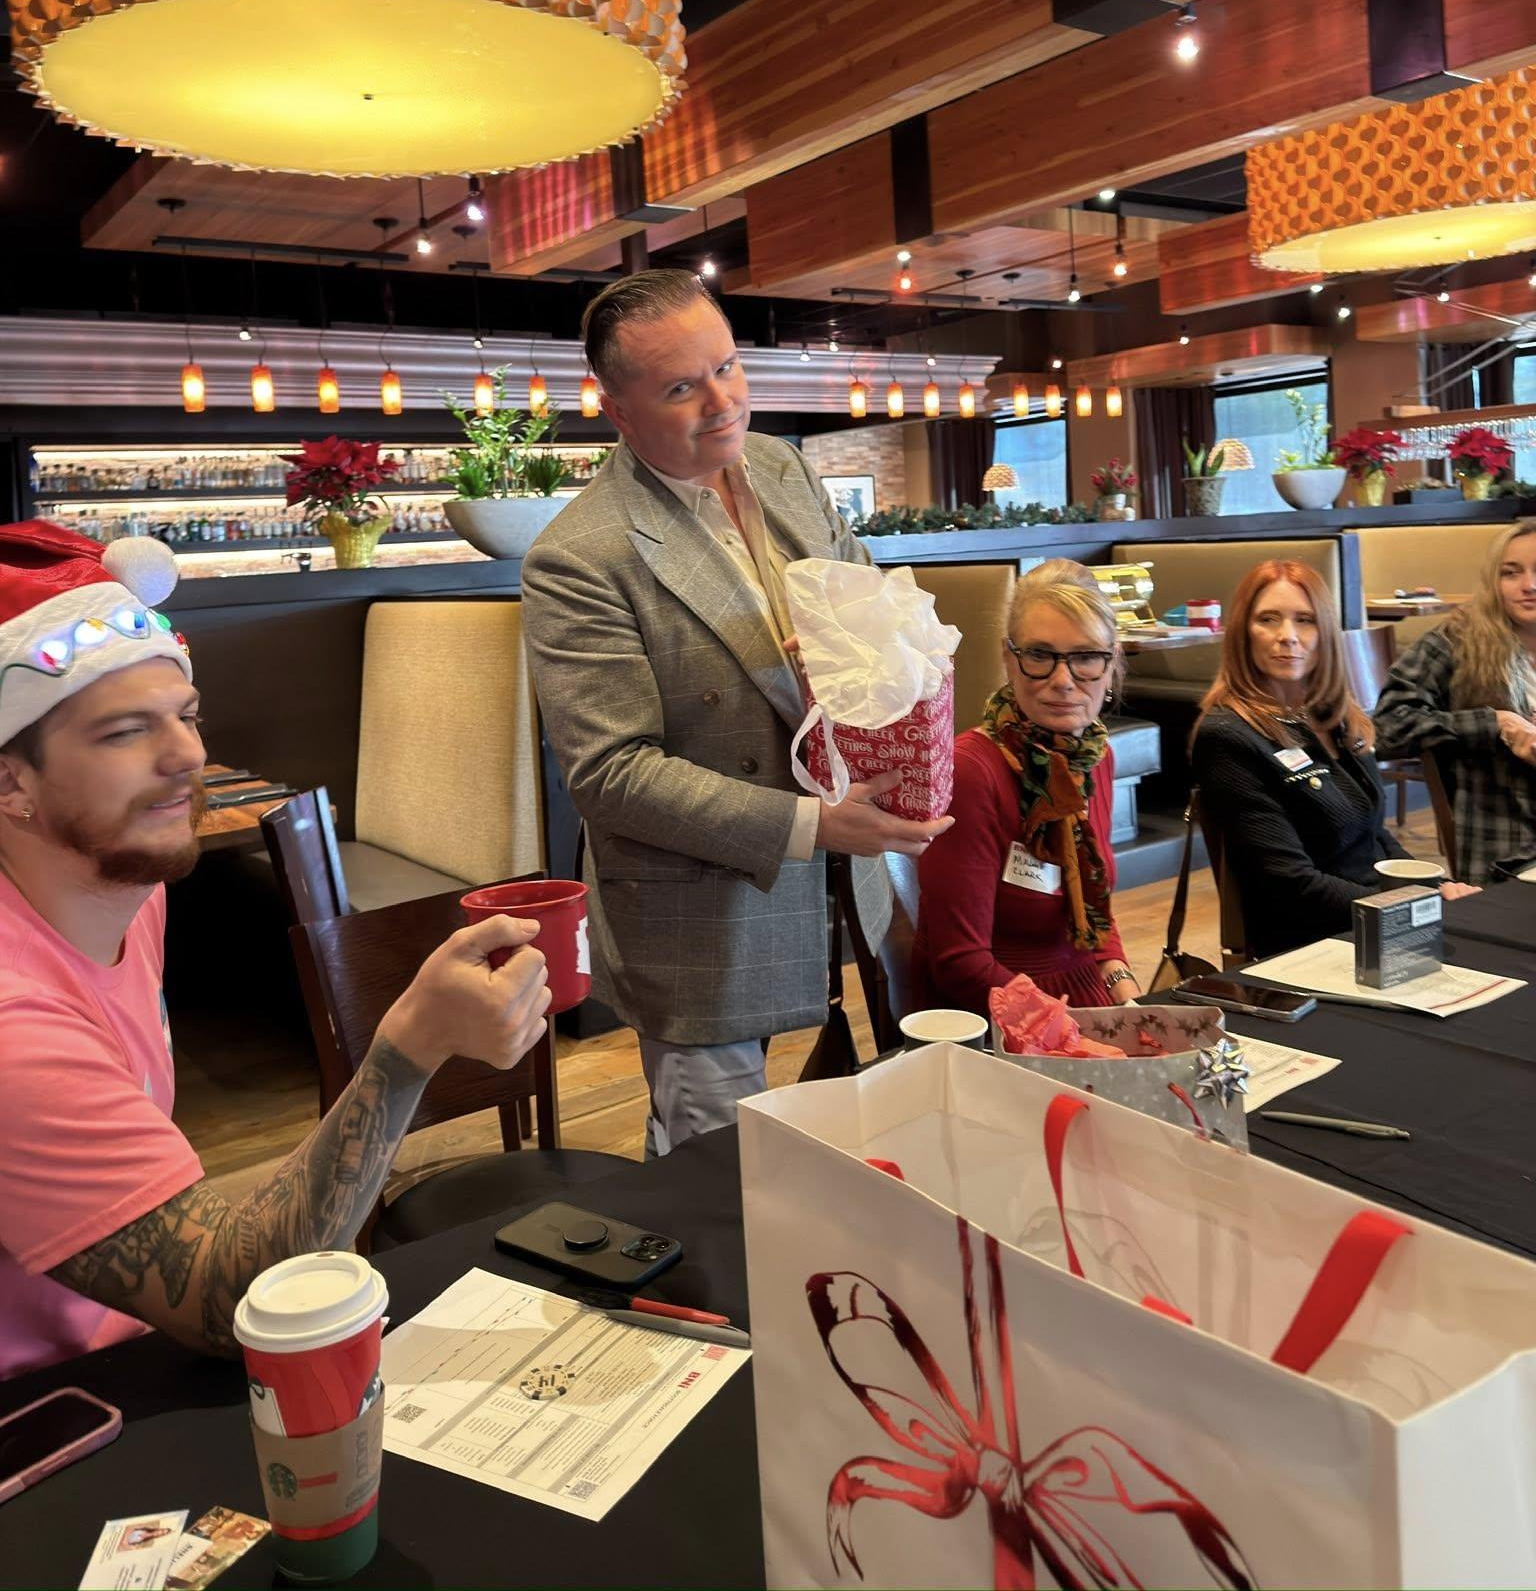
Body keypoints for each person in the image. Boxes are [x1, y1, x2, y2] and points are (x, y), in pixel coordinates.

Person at [0, 522, 550, 1380]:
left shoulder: (125, 891)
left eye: (186, 716)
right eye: (124, 732)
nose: (188, 754)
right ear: (11, 781)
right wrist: (408, 1049)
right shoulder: (15, 1030)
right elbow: (233, 1299)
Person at [522, 270, 950, 1156]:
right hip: (703, 918)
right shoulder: (579, 556)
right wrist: (812, 823)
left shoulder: (784, 468)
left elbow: (872, 603)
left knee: (868, 1142)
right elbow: (611, 775)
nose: (723, 403)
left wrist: (861, 647)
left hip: (848, 876)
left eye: (726, 367)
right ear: (617, 410)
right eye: (682, 387)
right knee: (718, 1170)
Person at [1190, 559, 1476, 961]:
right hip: (1312, 947)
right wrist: (1411, 909)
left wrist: (1432, 887)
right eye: (1268, 619)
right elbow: (1289, 884)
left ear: (1325, 632)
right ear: (1243, 633)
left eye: (1305, 620)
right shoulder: (1228, 735)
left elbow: (1373, 835)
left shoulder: (1332, 716)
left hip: (1378, 924)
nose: (1287, 636)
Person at [913, 561, 1137, 1012]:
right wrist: (1078, 1031)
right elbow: (961, 966)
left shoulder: (1094, 757)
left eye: (1086, 657)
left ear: (1111, 662)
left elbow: (1094, 910)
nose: (1063, 681)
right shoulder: (972, 771)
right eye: (1039, 655)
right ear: (1008, 657)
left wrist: (1128, 996)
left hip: (1080, 1001)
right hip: (994, 1014)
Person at [1375, 520, 1536, 884]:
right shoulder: (1457, 642)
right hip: (1508, 853)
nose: (1529, 585)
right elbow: (1386, 728)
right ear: (1493, 581)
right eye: (1511, 573)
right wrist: (1494, 723)